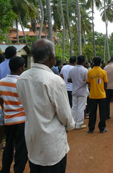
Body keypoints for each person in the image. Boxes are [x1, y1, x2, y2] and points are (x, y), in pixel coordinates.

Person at [16, 39, 75, 172]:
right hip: (52, 145)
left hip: (32, 140)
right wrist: (70, 126)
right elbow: (65, 115)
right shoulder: (54, 81)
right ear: (52, 58)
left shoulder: (22, 78)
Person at [0, 56, 27, 172]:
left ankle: (5, 169)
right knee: (21, 149)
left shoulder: (1, 82)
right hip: (22, 121)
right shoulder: (22, 83)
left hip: (8, 120)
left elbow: (1, 102)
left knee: (8, 147)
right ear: (21, 69)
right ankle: (18, 170)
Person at [0, 46, 16, 151]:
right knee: (13, 121)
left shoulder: (0, 65)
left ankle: (1, 142)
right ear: (15, 54)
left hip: (1, 95)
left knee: (1, 121)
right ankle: (13, 145)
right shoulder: (15, 65)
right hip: (13, 96)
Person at [86, 56, 108, 133]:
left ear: (93, 62)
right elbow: (106, 84)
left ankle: (91, 128)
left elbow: (88, 82)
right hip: (102, 95)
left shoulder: (89, 72)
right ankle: (102, 128)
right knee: (102, 113)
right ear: (100, 62)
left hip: (92, 95)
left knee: (92, 112)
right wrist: (103, 90)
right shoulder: (103, 72)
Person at [68, 55, 89, 129]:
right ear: (84, 62)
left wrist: (76, 81)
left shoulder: (72, 70)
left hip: (74, 91)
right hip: (82, 91)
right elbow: (87, 81)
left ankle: (72, 123)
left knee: (74, 107)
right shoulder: (85, 70)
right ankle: (79, 124)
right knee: (81, 107)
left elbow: (69, 80)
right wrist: (81, 82)